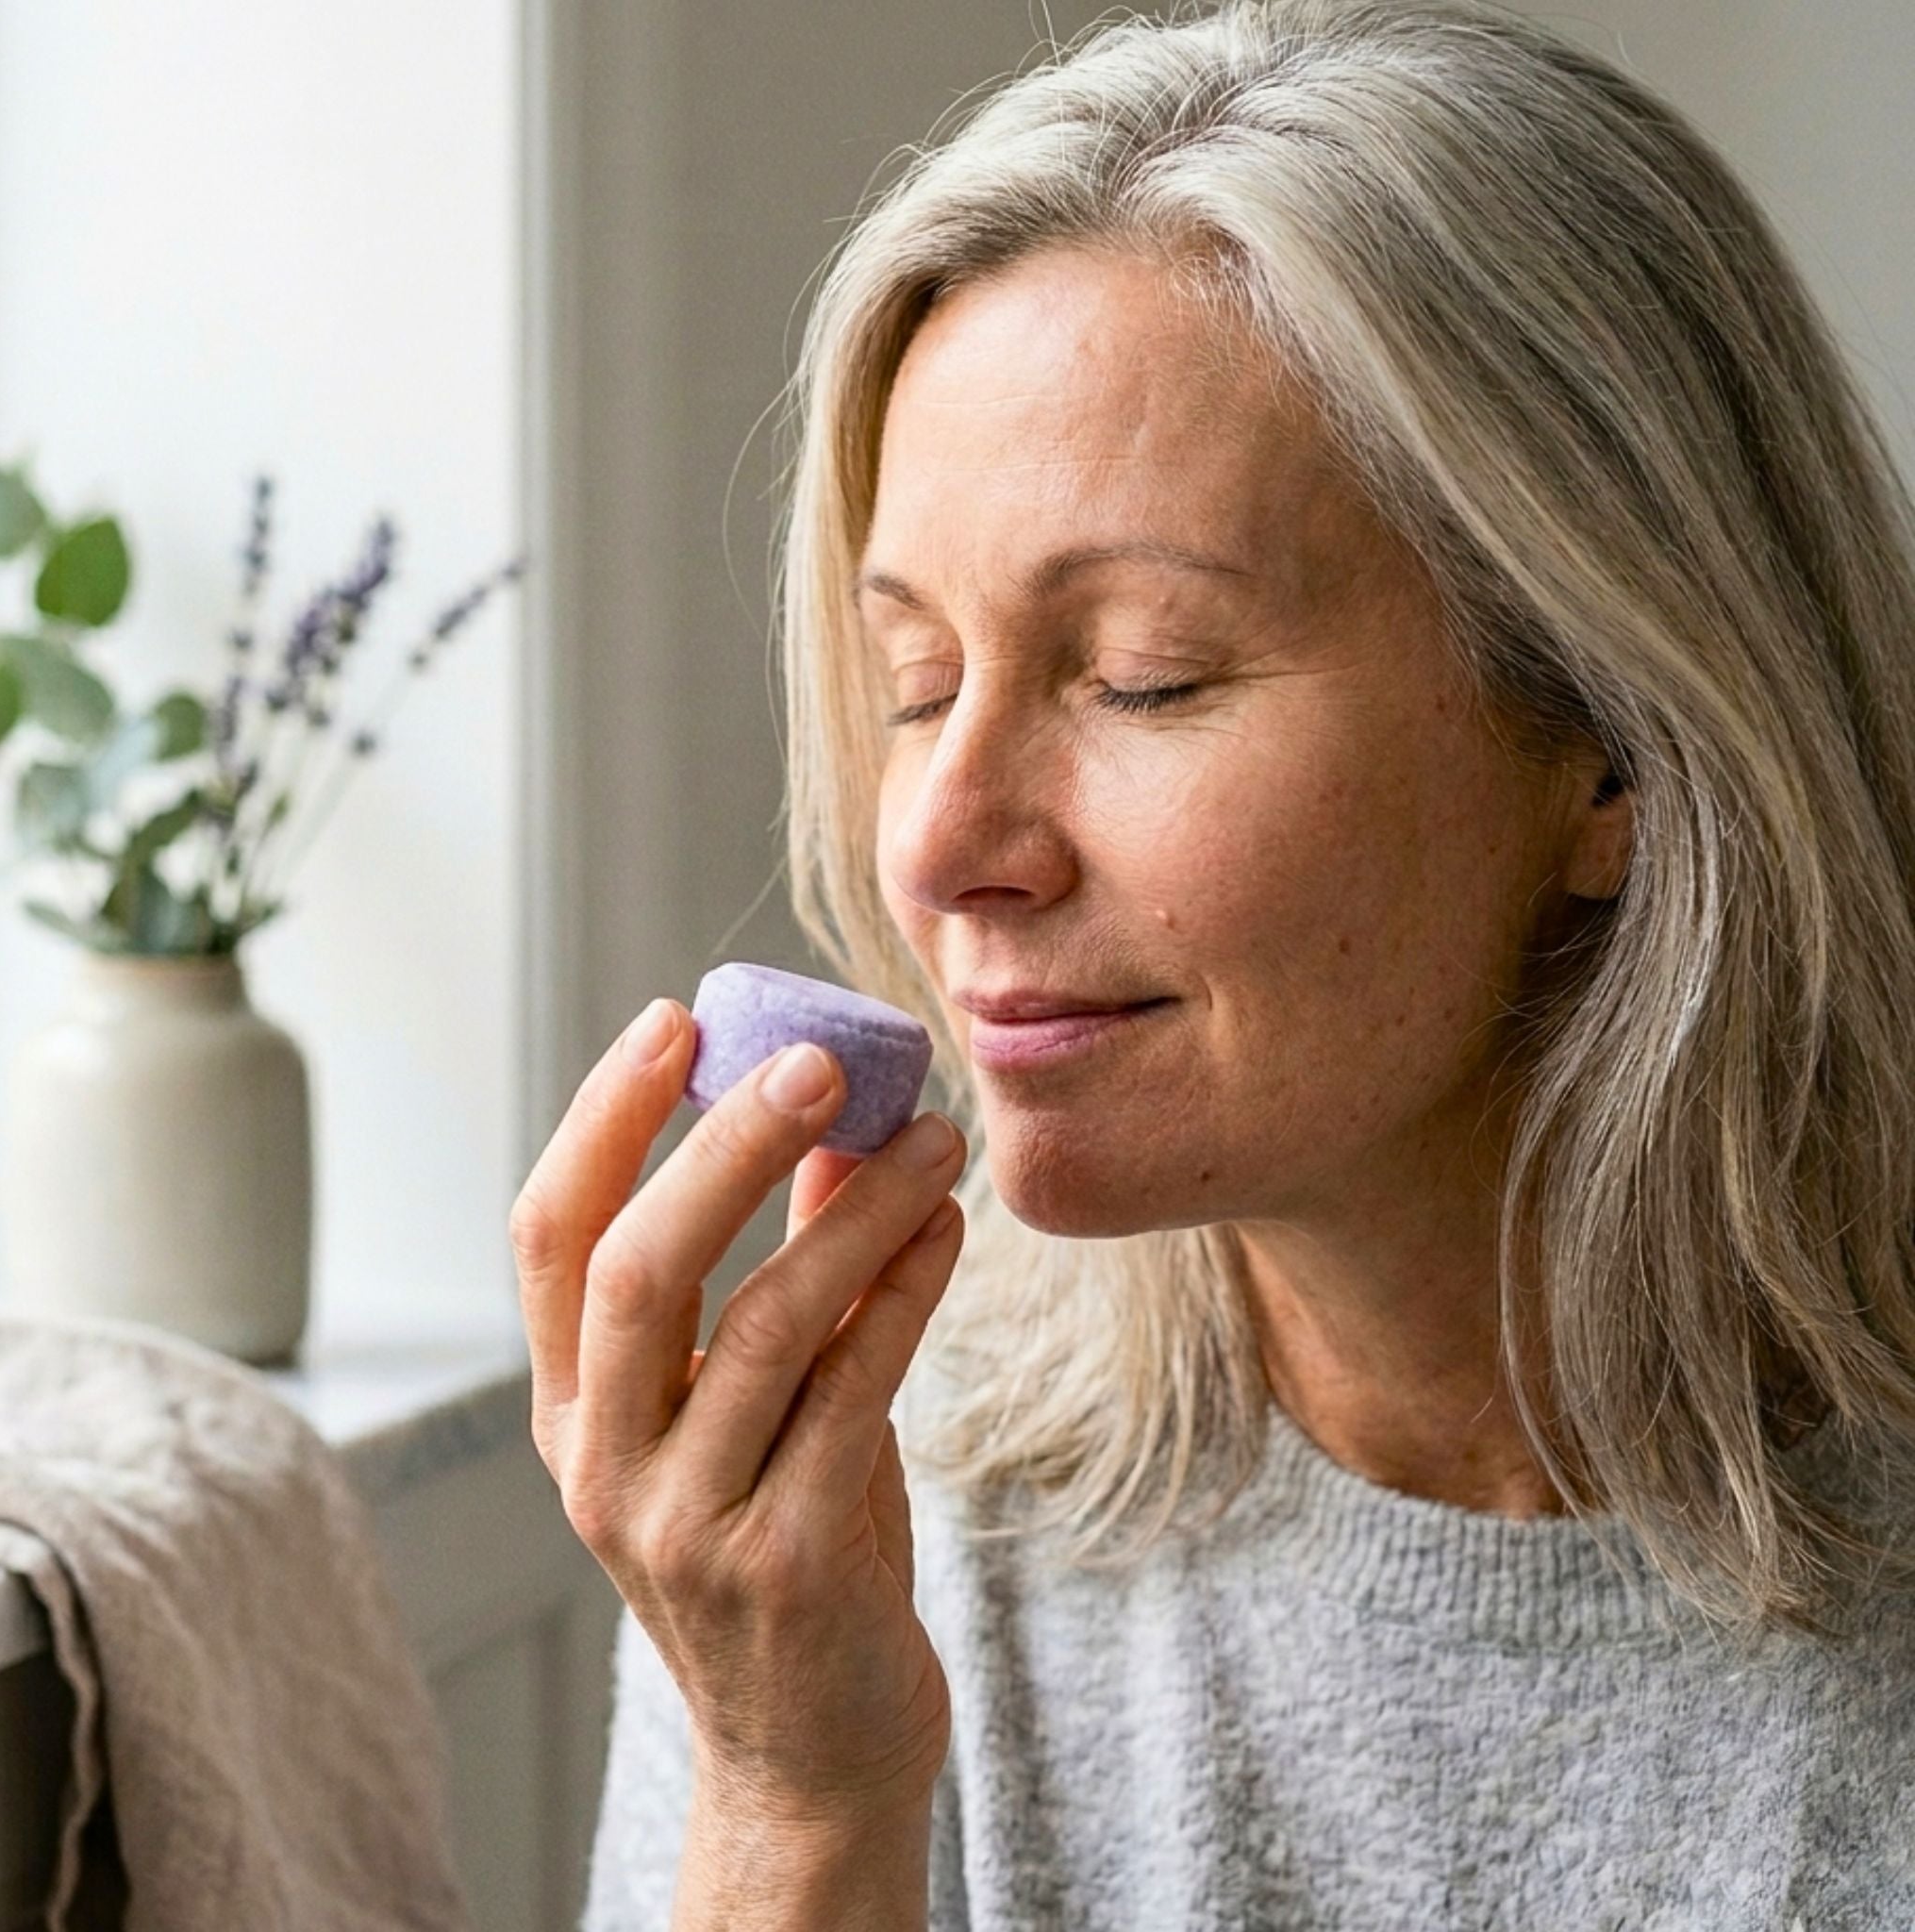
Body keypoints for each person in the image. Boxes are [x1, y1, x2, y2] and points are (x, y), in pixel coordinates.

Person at [513, 1, 1915, 1924]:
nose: (935, 845)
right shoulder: (869, 1506)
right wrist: (788, 1796)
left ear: (1610, 737)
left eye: (1143, 675)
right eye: (917, 681)